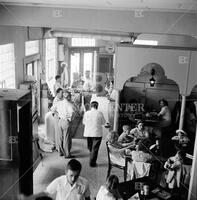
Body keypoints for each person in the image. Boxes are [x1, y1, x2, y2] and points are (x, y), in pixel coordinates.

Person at [22, 159, 91, 200]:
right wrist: (29, 198)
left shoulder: (85, 183)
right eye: (71, 175)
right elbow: (45, 192)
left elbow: (87, 198)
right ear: (66, 172)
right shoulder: (59, 181)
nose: (73, 179)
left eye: (76, 176)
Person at [51, 90, 75, 158]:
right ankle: (67, 154)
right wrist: (70, 120)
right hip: (66, 122)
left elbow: (52, 109)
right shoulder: (70, 104)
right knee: (66, 138)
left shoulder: (59, 103)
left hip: (60, 121)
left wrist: (58, 114)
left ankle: (61, 152)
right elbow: (72, 114)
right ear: (69, 97)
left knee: (60, 138)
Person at [83, 101, 106, 167]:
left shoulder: (86, 113)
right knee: (95, 149)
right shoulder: (99, 113)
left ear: (91, 106)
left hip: (88, 133)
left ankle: (92, 155)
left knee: (90, 147)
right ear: (97, 106)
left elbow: (84, 122)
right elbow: (103, 122)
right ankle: (92, 163)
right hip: (97, 133)